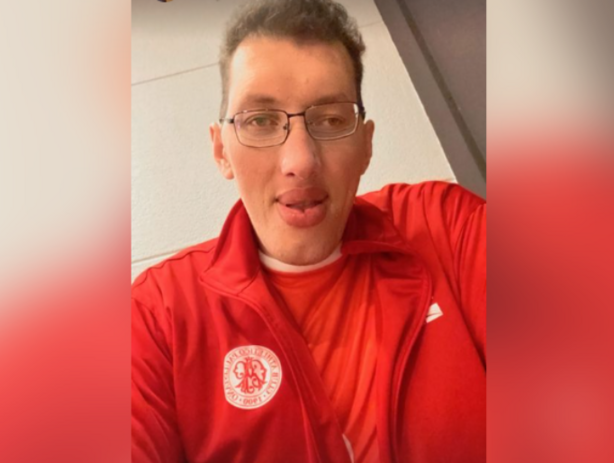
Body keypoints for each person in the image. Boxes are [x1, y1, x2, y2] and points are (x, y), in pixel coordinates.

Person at [131, 0, 486, 462]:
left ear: (366, 145)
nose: (300, 161)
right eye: (260, 121)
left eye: (331, 119)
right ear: (221, 151)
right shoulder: (155, 315)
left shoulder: (443, 227)